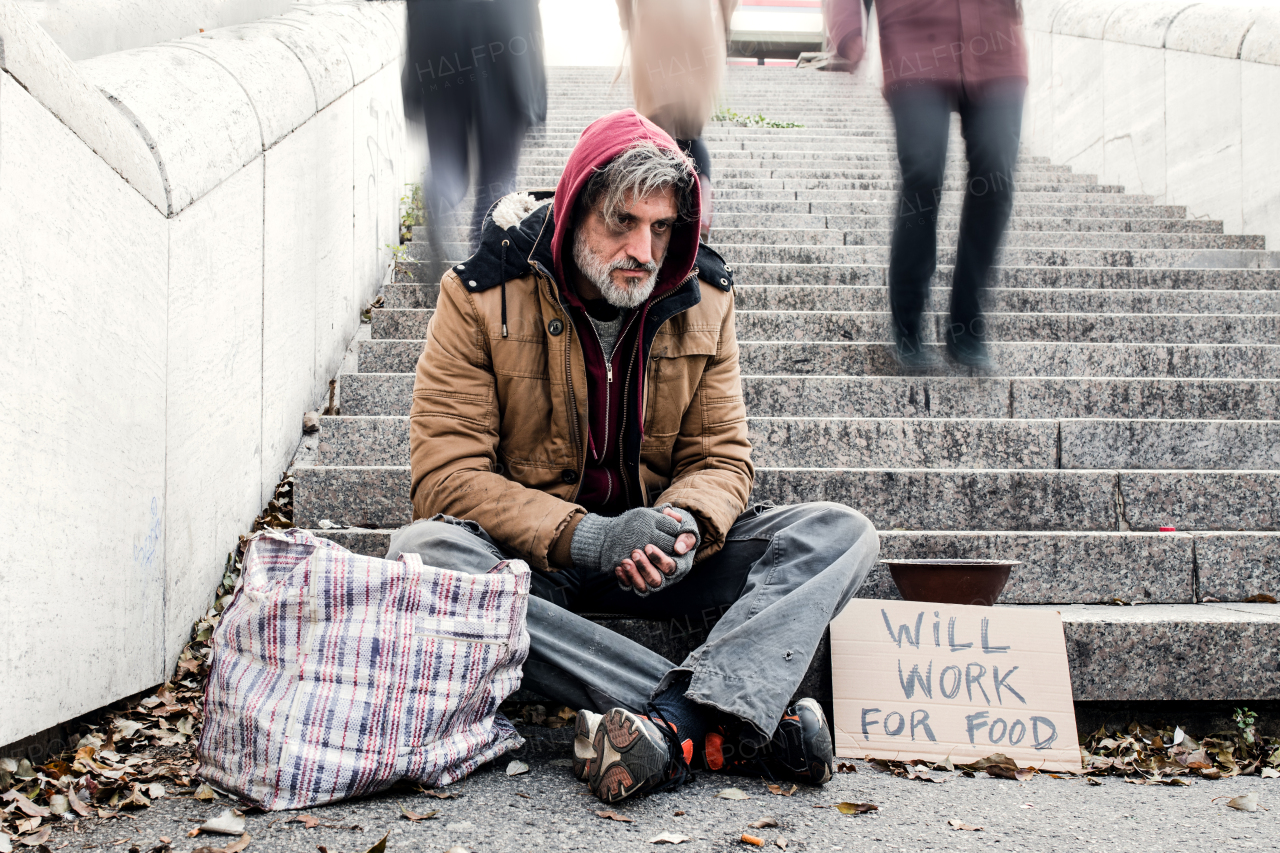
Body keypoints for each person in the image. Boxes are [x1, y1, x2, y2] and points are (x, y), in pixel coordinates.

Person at [387, 110, 879, 803]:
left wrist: (684, 524)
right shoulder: (478, 296)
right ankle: (713, 714)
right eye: (621, 222)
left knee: (840, 531)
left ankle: (675, 723)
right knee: (424, 551)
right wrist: (588, 535)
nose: (642, 249)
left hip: (660, 560)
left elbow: (722, 457)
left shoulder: (705, 298)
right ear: (573, 211)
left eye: (660, 227)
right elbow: (445, 479)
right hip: (537, 565)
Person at [825, 0, 1027, 371]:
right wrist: (847, 27)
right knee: (923, 173)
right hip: (915, 35)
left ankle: (967, 329)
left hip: (997, 42)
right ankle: (908, 327)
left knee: (996, 176)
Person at [401, 0, 547, 267]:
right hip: (506, 33)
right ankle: (483, 266)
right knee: (498, 173)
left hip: (439, 31)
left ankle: (439, 189)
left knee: (446, 158)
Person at [616, 0, 739, 240]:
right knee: (691, 133)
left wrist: (627, 21)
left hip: (654, 29)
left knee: (660, 131)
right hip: (699, 31)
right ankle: (700, 209)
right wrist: (724, 22)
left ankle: (665, 219)